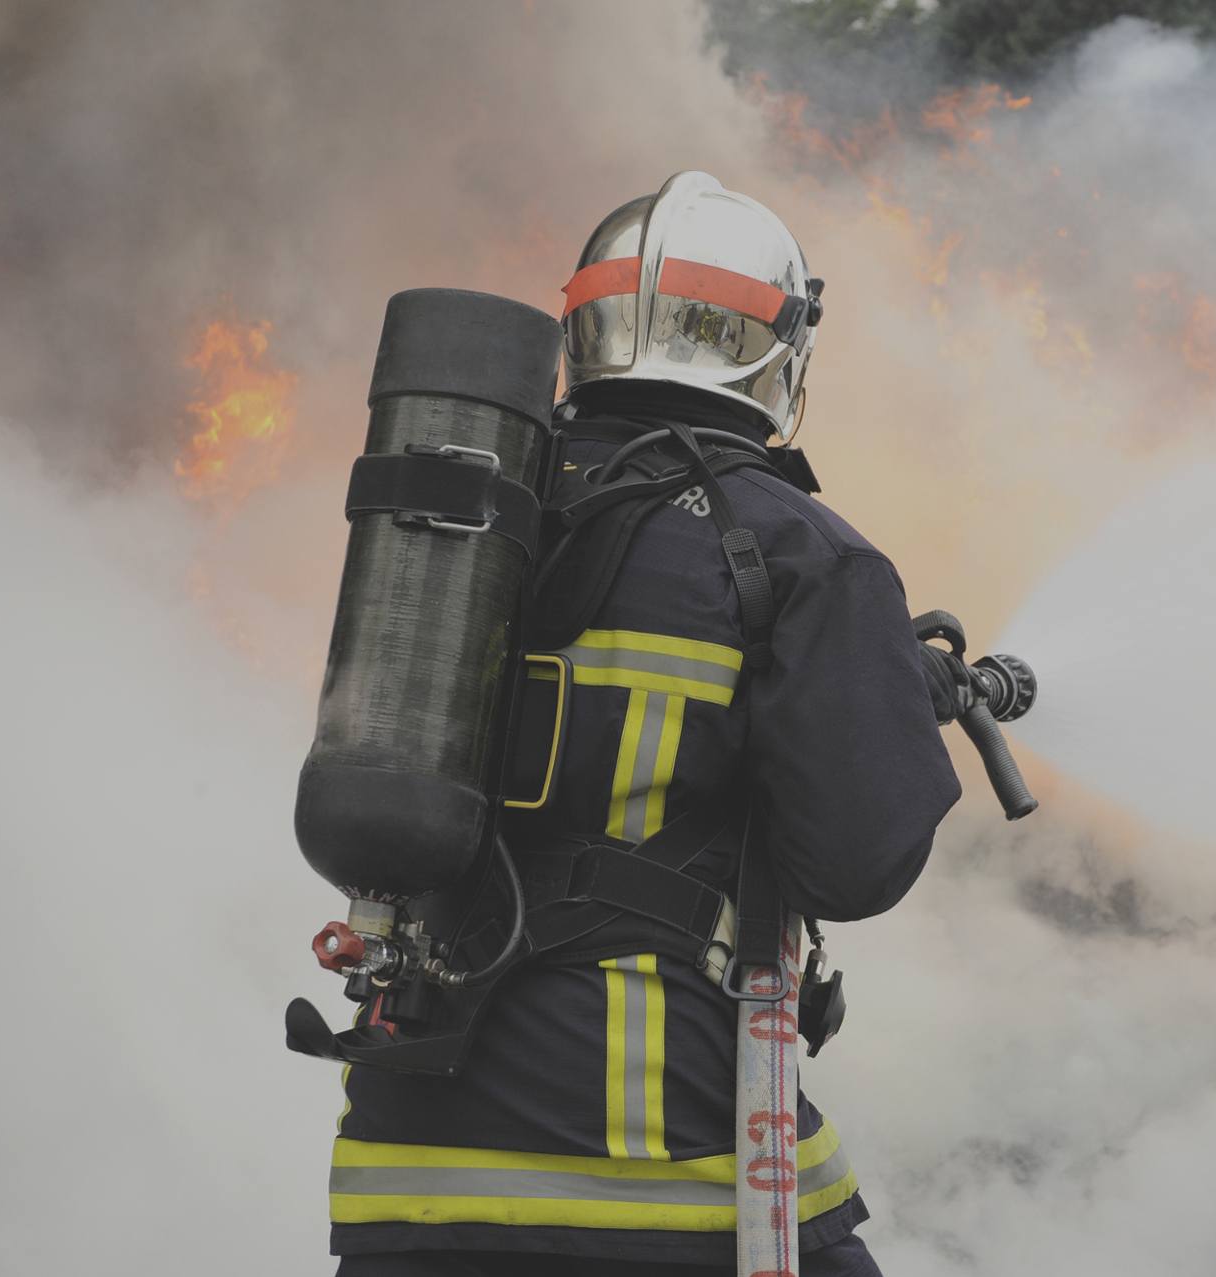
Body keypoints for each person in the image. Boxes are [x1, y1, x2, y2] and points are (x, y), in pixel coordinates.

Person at [330, 172, 962, 1276]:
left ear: (589, 328)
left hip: (411, 1176)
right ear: (777, 347)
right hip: (662, 1175)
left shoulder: (465, 516)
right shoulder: (802, 553)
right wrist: (887, 698)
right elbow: (857, 863)